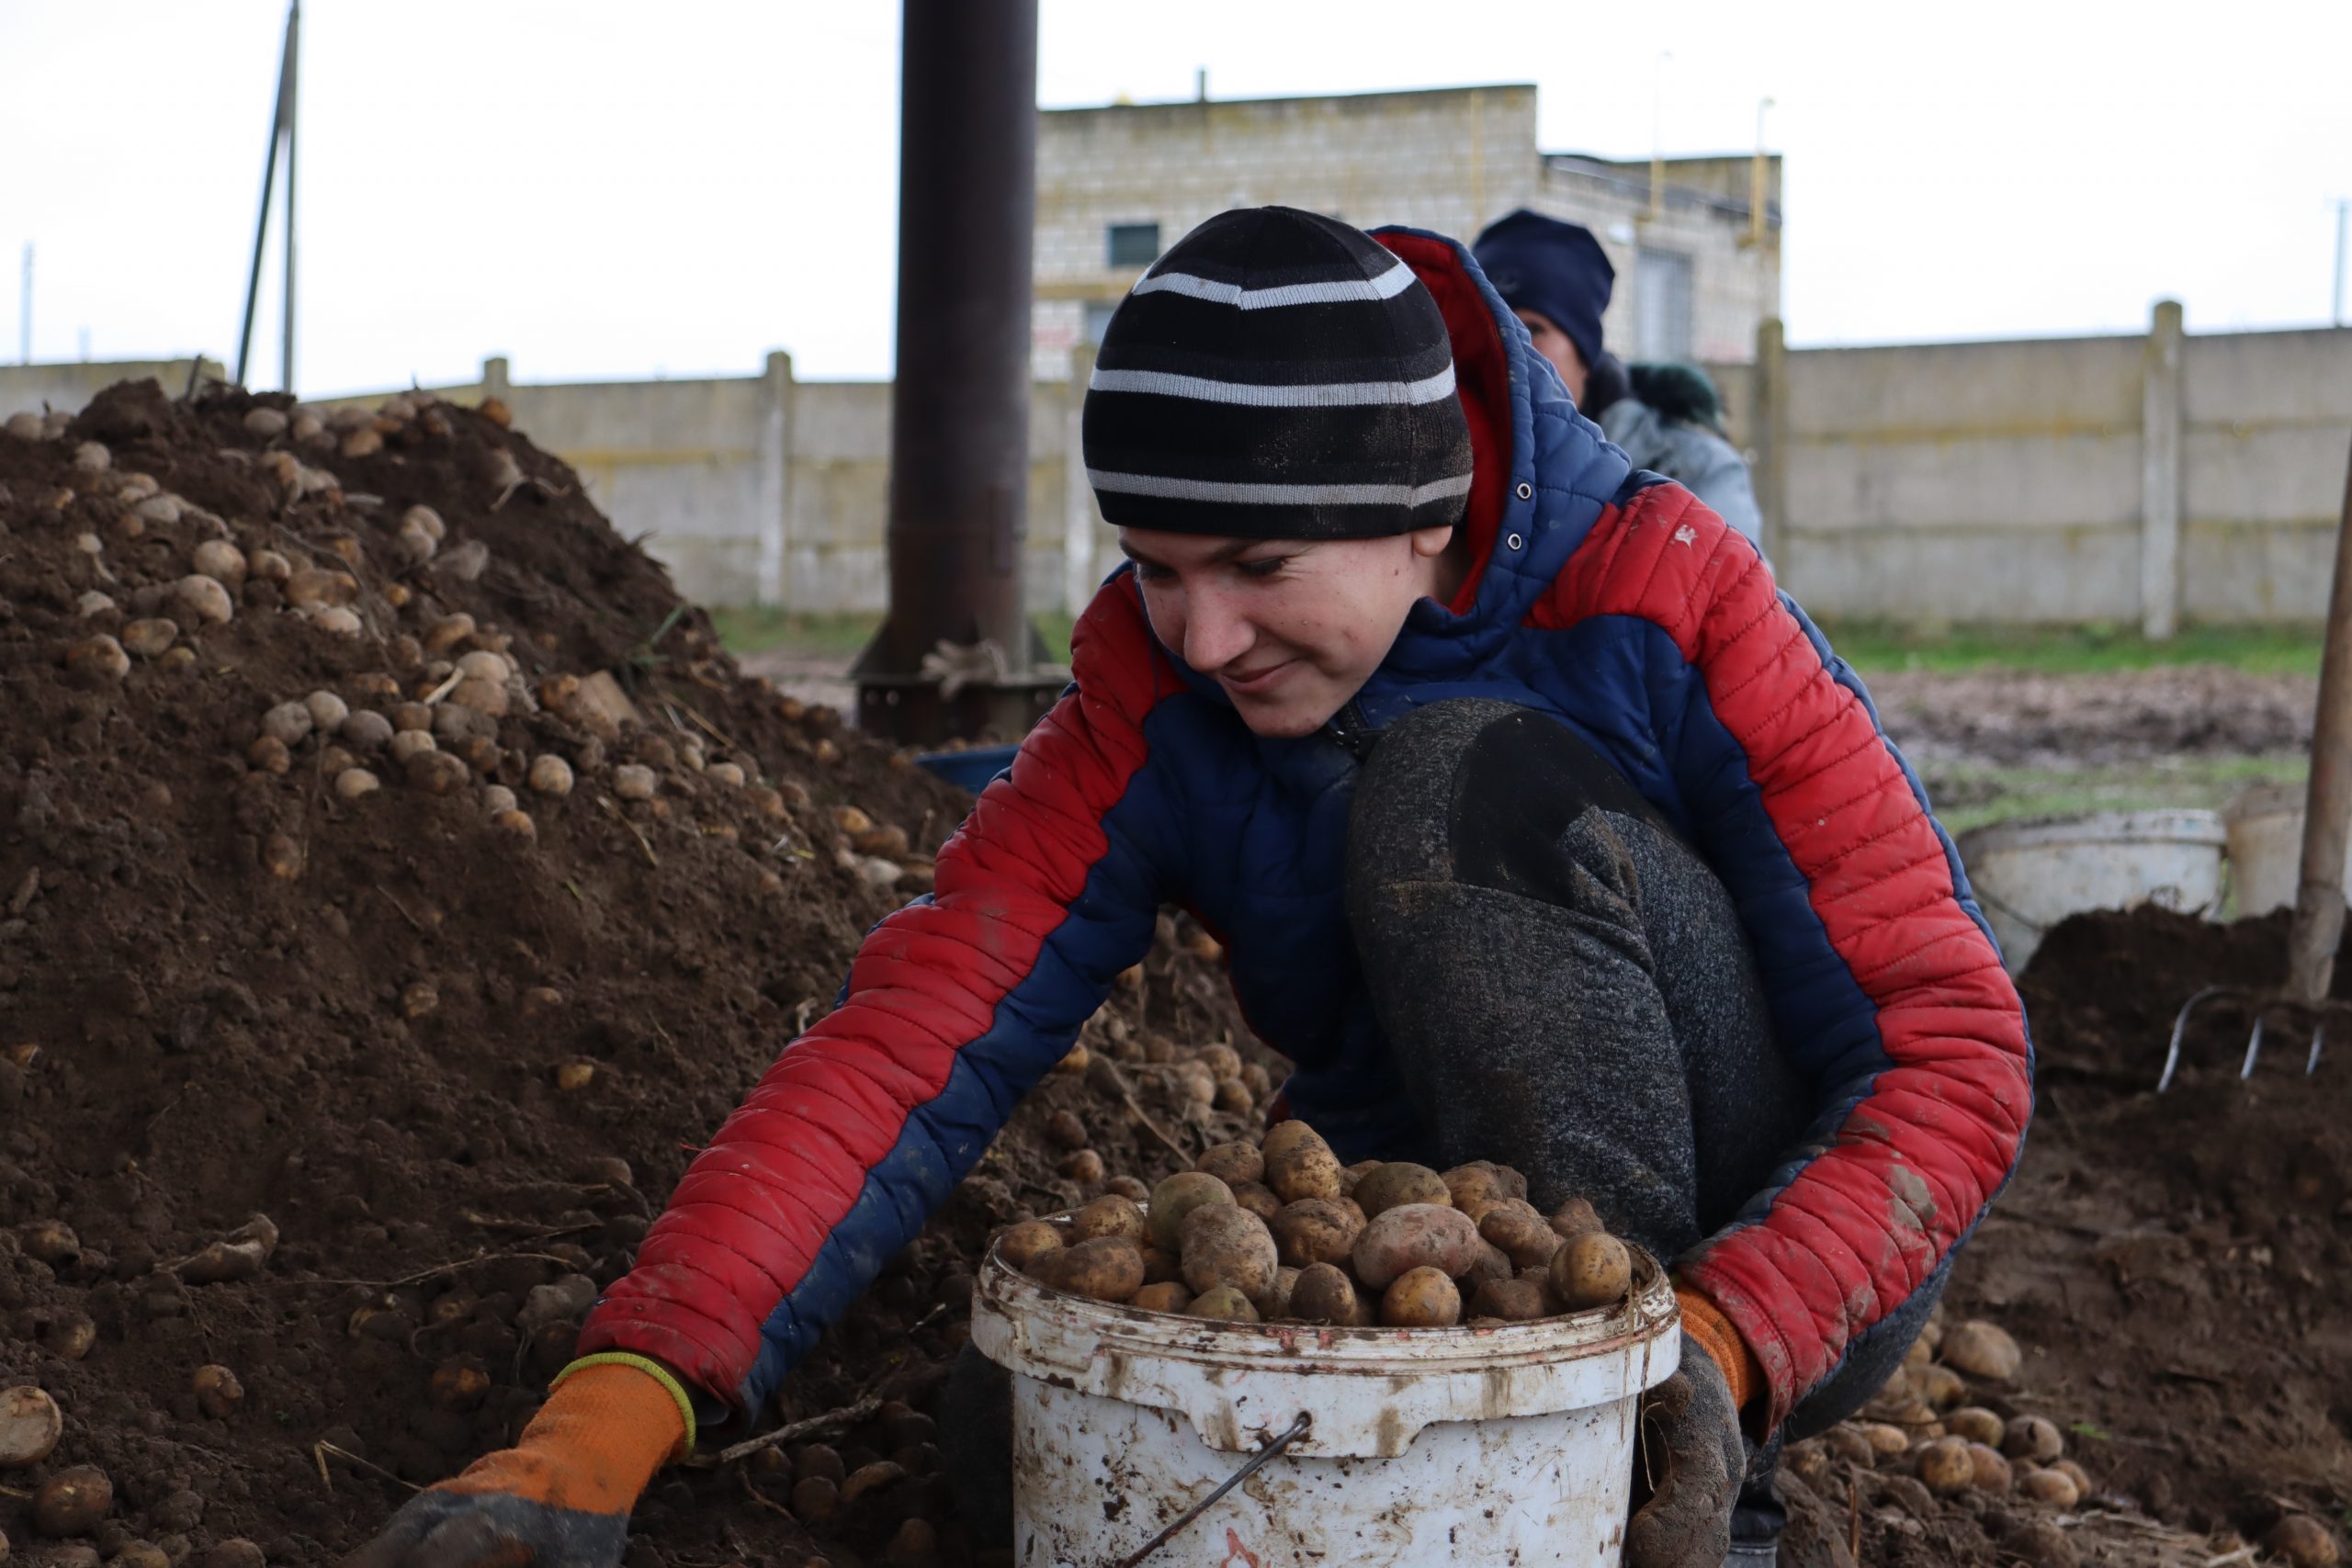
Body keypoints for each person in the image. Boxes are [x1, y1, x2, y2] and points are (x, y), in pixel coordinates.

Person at [345, 209, 2030, 1568]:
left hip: (1761, 1250)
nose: (1202, 638)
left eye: (1260, 569)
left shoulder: (1669, 594)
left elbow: (1954, 1049)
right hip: (1429, 1229)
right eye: (1155, 567)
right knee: (1025, 1440)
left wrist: (1737, 1338)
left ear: (1428, 518)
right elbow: (906, 1048)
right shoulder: (1152, 709)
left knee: (1462, 783)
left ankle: (1652, 1490)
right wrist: (617, 1407)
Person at [1474, 208, 1766, 552]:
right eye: (1491, 328)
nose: (1511, 348)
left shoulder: (1693, 469)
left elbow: (1736, 596)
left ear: (1585, 357)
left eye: (1534, 329)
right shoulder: (1454, 465)